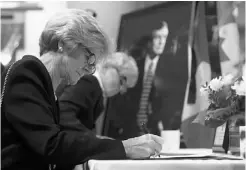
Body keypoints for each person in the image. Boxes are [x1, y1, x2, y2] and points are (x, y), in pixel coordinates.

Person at [1, 9, 164, 170]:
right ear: (63, 43)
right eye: (90, 58)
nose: (90, 70)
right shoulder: (28, 71)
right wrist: (124, 147)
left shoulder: (47, 87)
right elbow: (51, 145)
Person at [106, 21, 185, 139]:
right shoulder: (134, 66)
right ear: (148, 40)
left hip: (157, 134)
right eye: (157, 37)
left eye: (164, 37)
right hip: (129, 132)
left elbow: (172, 105)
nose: (161, 42)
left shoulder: (172, 69)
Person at [58, 52, 138, 132]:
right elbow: (62, 113)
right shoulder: (89, 83)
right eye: (121, 81)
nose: (121, 90)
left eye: (125, 88)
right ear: (109, 66)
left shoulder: (94, 88)